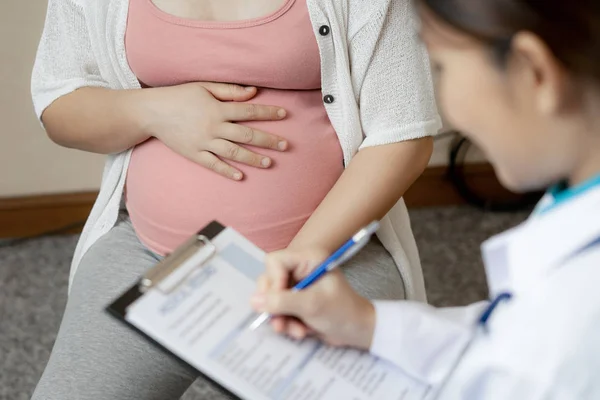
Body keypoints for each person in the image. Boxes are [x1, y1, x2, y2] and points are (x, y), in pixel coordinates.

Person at [30, 0, 440, 398]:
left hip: (323, 265)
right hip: (147, 251)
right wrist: (152, 110)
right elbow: (60, 102)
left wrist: (301, 260)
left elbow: (403, 134)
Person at [251, 0, 600, 398]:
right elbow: (501, 343)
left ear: (533, 72)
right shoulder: (576, 206)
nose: (447, 98)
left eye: (442, 67)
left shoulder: (578, 322)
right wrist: (367, 324)